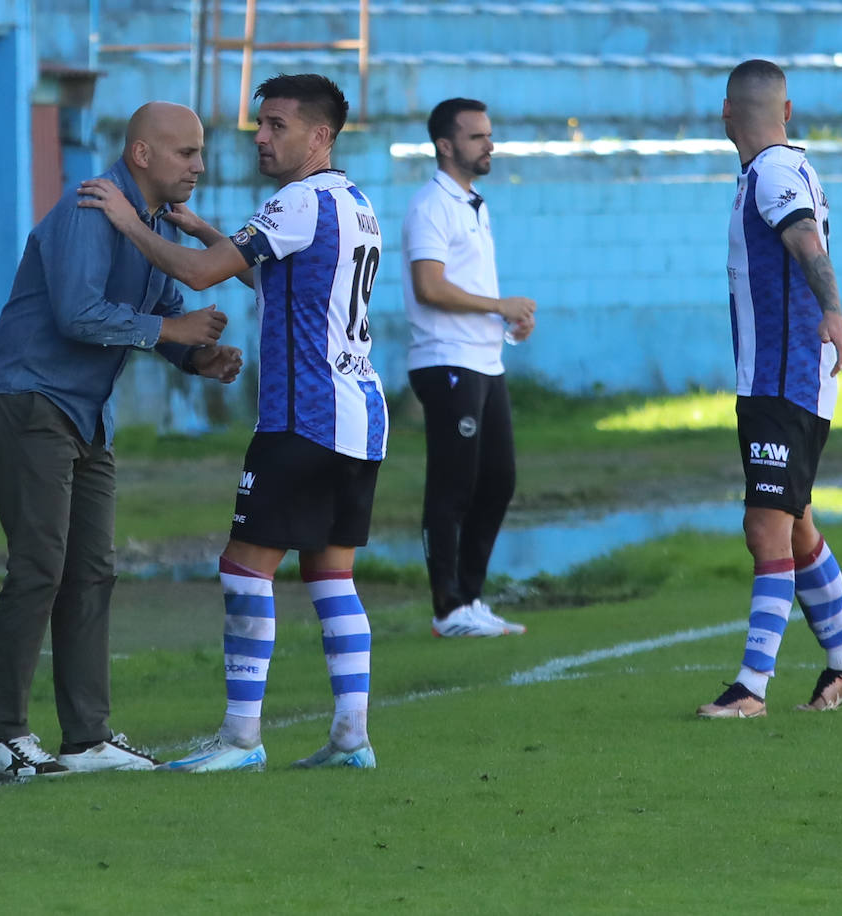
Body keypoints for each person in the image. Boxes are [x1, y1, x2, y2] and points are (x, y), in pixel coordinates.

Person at [80, 74, 387, 771]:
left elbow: (197, 276)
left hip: (301, 420)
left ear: (319, 136)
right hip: (361, 418)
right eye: (261, 123)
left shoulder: (296, 201)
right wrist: (210, 230)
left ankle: (240, 739)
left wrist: (129, 222)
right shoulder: (356, 203)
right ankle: (351, 737)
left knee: (245, 570)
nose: (261, 136)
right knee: (332, 578)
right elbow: (280, 281)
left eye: (277, 125)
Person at [0, 102, 243, 777]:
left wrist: (195, 358)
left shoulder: (148, 224)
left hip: (84, 414)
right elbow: (78, 313)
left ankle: (86, 737)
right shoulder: (92, 206)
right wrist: (168, 336)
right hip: (30, 395)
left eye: (200, 152)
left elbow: (164, 315)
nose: (200, 165)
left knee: (93, 570)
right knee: (40, 565)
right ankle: (2, 738)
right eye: (186, 153)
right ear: (143, 154)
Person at [697, 59, 842, 718]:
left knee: (764, 526)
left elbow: (804, 241)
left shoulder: (771, 173)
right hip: (787, 378)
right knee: (796, 525)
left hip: (782, 377)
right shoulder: (790, 167)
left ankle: (751, 688)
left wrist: (833, 311)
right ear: (787, 110)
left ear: (725, 113)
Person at [402, 97, 536, 639]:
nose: (489, 144)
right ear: (446, 145)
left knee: (498, 480)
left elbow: (469, 287)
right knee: (453, 485)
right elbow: (428, 287)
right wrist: (499, 307)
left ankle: (471, 598)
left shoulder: (474, 204)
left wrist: (508, 324)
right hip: (446, 361)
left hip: (484, 360)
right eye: (477, 136)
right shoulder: (430, 205)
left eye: (489, 134)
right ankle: (447, 607)